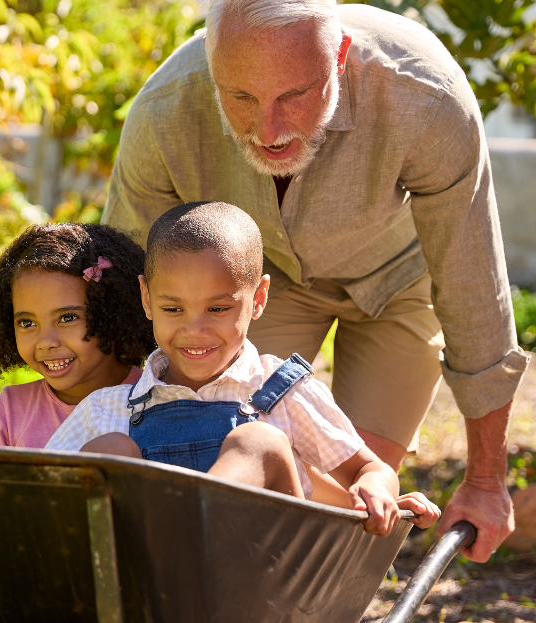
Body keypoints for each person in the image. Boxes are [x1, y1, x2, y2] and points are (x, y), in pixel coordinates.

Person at [102, 0, 525, 560]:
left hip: (396, 279)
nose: (268, 129)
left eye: (294, 96)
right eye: (242, 97)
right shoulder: (164, 110)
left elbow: (475, 291)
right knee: (242, 463)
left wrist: (487, 481)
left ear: (340, 57)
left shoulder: (425, 97)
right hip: (254, 281)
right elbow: (127, 287)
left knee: (353, 501)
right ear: (210, 67)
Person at [45, 202, 440, 535]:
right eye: (172, 308)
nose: (194, 330)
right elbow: (36, 490)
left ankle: (192, 539)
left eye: (218, 309)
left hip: (259, 575)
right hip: (150, 584)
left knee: (258, 443)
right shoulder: (109, 410)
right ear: (146, 299)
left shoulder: (284, 392)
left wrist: (374, 486)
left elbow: (370, 467)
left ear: (258, 299)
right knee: (110, 451)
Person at [0, 223, 157, 448]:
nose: (46, 342)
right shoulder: (6, 414)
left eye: (67, 318)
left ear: (113, 312)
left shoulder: (163, 400)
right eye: (27, 323)